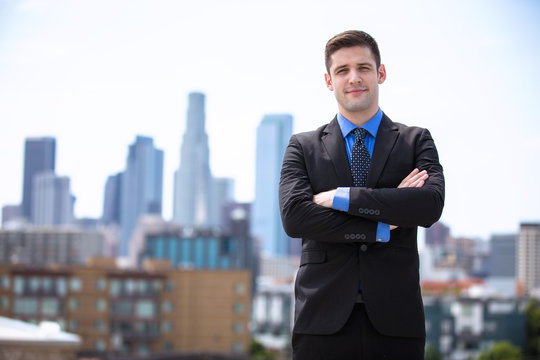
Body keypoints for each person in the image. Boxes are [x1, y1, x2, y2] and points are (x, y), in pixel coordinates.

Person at [279, 30, 445, 359]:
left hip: (397, 322)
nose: (353, 78)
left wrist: (344, 197)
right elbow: (295, 217)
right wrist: (384, 221)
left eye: (363, 68)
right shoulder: (303, 147)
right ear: (329, 80)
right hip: (321, 322)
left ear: (380, 73)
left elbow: (428, 206)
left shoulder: (416, 141)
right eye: (342, 70)